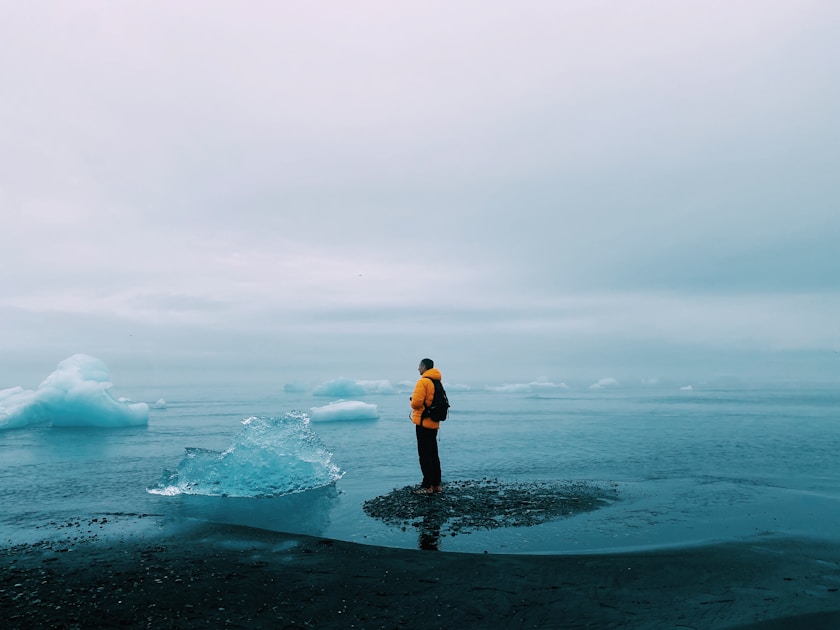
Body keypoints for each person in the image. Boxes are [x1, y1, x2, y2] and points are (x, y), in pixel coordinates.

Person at [410, 358, 443, 495]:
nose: (418, 369)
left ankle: (427, 485)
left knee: (424, 455)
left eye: (419, 366)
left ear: (424, 366)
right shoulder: (437, 382)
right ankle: (436, 485)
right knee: (433, 453)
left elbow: (416, 403)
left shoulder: (423, 381)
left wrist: (412, 401)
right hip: (434, 423)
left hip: (423, 423)